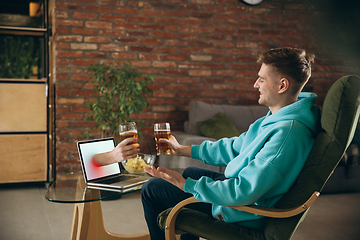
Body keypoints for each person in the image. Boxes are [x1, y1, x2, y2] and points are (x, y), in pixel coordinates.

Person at [141, 47, 321, 240]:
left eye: (261, 79)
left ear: (282, 85)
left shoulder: (287, 134)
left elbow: (243, 191)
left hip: (244, 211)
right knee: (191, 173)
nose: (255, 84)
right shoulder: (278, 118)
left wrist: (182, 184)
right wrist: (182, 150)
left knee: (152, 189)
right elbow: (235, 147)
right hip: (242, 196)